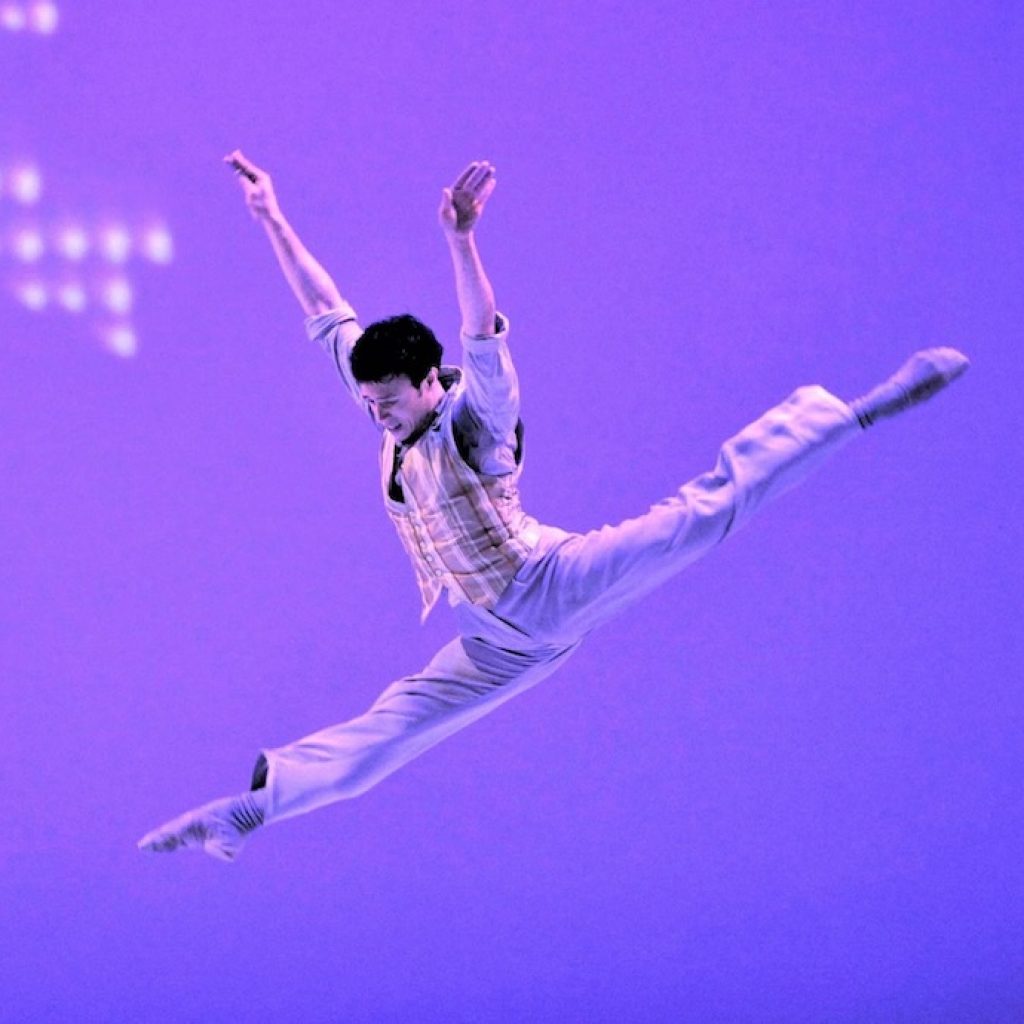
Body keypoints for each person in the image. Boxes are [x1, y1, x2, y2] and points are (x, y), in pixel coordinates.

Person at [138, 151, 969, 862]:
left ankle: (854, 411)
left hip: (550, 582)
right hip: (494, 638)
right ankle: (252, 809)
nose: (377, 415)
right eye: (369, 405)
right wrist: (269, 214)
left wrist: (461, 241)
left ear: (428, 384)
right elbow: (326, 313)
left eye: (388, 402)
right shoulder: (381, 400)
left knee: (700, 516)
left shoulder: (474, 417)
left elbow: (481, 340)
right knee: (388, 733)